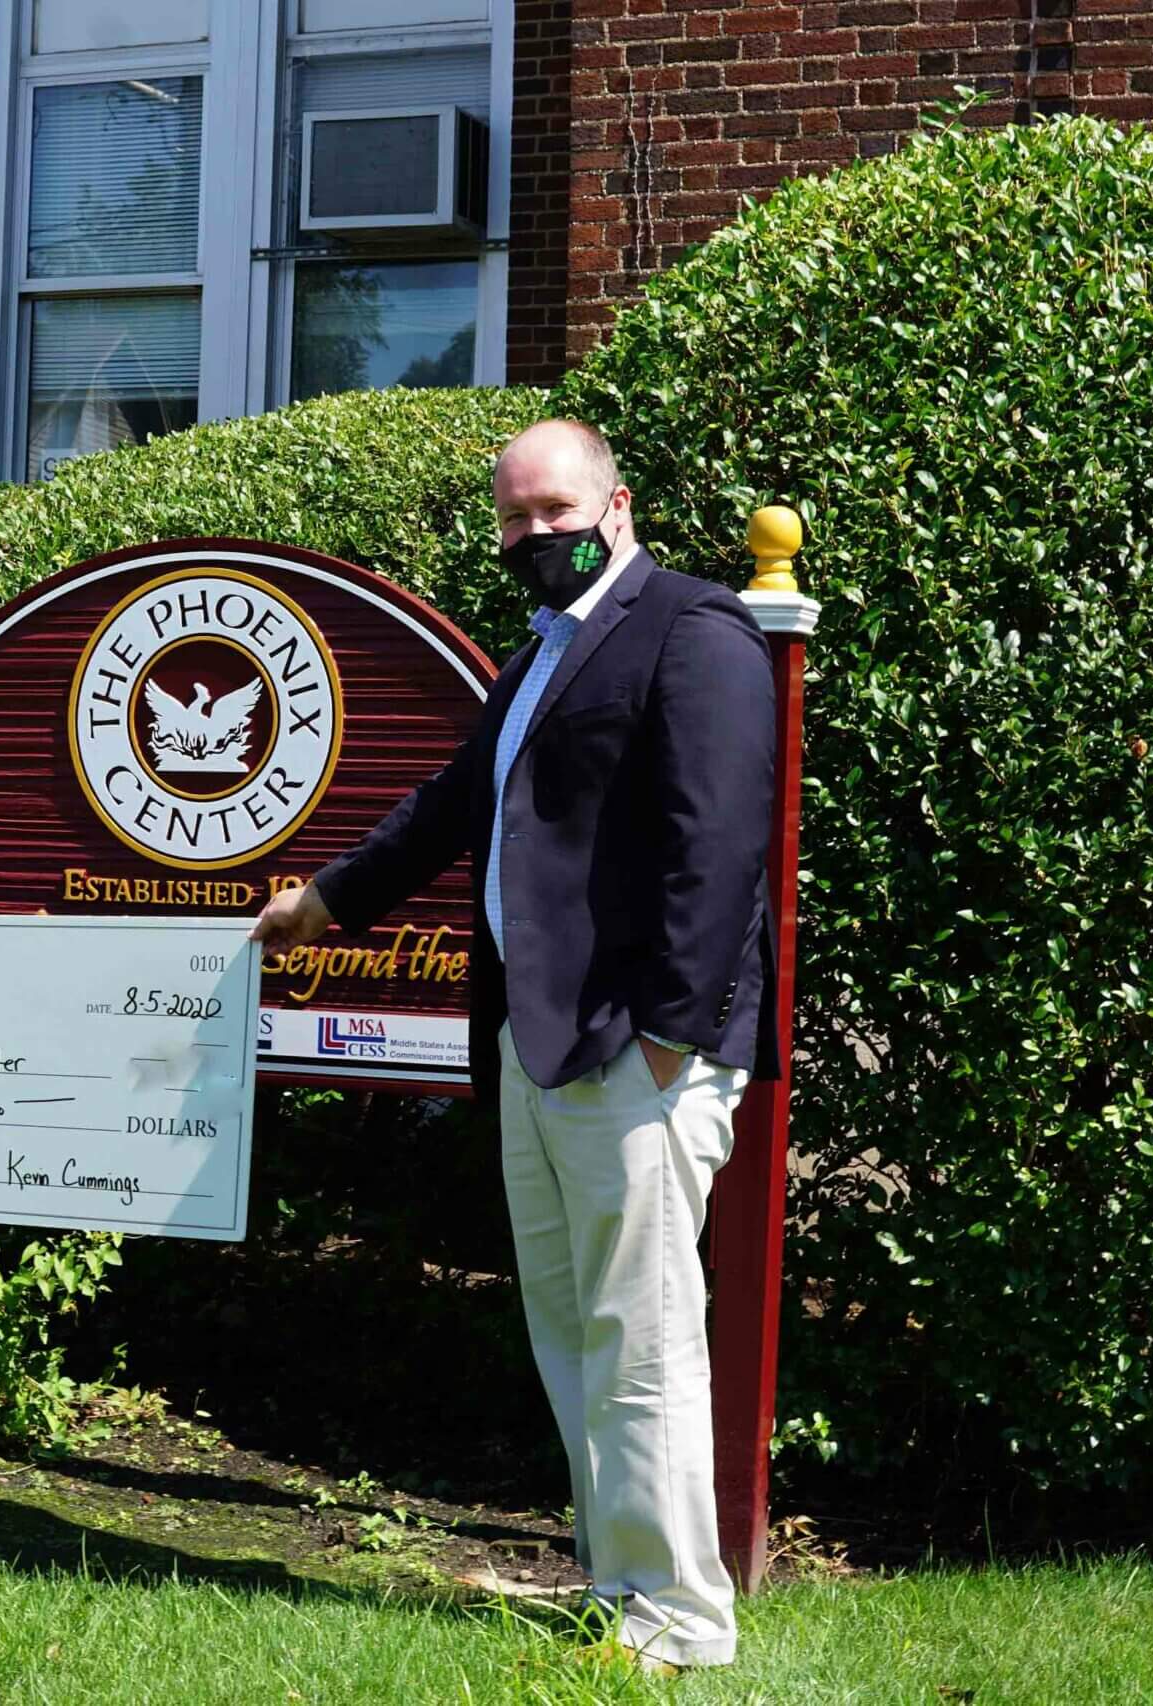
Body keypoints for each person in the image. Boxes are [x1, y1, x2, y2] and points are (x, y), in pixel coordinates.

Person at [250, 419, 777, 1670]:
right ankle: (620, 1588)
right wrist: (323, 901)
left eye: (554, 508)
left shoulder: (694, 630)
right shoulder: (536, 655)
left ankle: (682, 1623)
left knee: (642, 1335)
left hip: (633, 1053)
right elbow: (451, 806)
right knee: (574, 1329)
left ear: (615, 500)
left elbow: (719, 850)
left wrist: (667, 1035)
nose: (534, 532)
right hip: (538, 1049)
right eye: (514, 516)